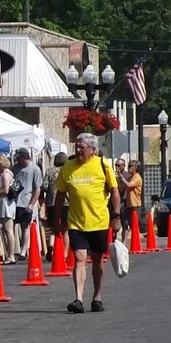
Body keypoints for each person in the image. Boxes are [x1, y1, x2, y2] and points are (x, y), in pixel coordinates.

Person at [52, 132, 121, 313]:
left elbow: (114, 191)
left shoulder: (102, 165)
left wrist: (116, 216)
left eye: (81, 147)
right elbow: (60, 194)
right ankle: (78, 299)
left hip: (98, 221)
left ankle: (97, 297)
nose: (78, 150)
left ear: (92, 149)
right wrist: (57, 219)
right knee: (80, 259)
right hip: (76, 222)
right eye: (76, 147)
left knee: (98, 261)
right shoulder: (68, 167)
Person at [11, 148, 43, 259]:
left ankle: (23, 251)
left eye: (19, 158)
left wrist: (31, 204)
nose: (17, 160)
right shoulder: (15, 168)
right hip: (13, 201)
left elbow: (37, 188)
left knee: (25, 226)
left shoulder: (35, 169)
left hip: (25, 201)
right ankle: (14, 250)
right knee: (12, 226)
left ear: (25, 157)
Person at [0, 154, 17, 263]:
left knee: (8, 230)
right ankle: (9, 254)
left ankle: (11, 255)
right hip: (5, 203)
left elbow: (5, 190)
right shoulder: (5, 174)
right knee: (7, 230)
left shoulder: (5, 175)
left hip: (6, 204)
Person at [122, 160, 144, 246]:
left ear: (135, 168)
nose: (128, 168)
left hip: (135, 204)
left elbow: (129, 185)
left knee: (133, 224)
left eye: (130, 166)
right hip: (129, 204)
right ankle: (124, 242)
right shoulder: (131, 177)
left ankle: (136, 243)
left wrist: (121, 178)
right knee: (126, 223)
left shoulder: (137, 178)